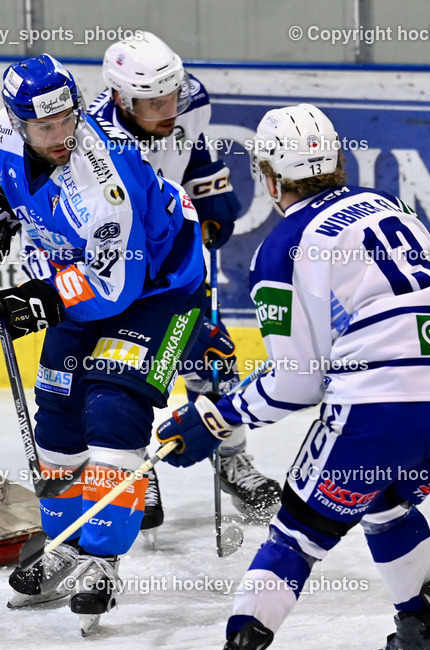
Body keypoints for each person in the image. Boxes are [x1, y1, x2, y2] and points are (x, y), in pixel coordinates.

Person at [155, 104, 430, 650]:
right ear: (338, 160)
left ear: (268, 179)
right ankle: (427, 630)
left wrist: (215, 415)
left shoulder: (282, 247)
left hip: (385, 402)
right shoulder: (393, 207)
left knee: (296, 533)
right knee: (384, 500)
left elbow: (296, 383)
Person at [0, 53, 205, 632]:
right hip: (82, 280)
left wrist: (37, 300)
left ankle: (104, 558)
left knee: (112, 407)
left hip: (160, 289)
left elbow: (116, 288)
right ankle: (65, 541)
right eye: (45, 128)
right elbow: (11, 181)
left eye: (68, 119)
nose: (62, 135)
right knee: (60, 418)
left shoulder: (103, 181)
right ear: (18, 123)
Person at [89, 31, 281, 531]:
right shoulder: (95, 143)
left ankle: (231, 459)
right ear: (120, 98)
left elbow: (190, 150)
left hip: (175, 257)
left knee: (211, 356)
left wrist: (209, 188)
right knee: (123, 371)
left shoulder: (189, 97)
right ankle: (129, 468)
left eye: (170, 95)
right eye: (153, 103)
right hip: (114, 268)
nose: (167, 109)